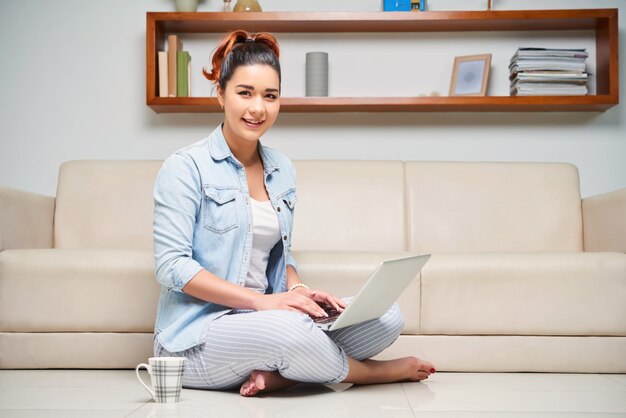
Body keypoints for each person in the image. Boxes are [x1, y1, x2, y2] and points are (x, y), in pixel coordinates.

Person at [152, 30, 435, 397]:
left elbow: (279, 254)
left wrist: (299, 290)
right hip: (198, 336)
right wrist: (263, 303)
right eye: (245, 93)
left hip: (264, 319)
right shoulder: (185, 167)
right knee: (289, 332)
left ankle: (282, 375)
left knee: (385, 315)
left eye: (270, 96)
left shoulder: (281, 168)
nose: (258, 108)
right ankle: (371, 373)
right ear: (221, 94)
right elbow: (172, 265)